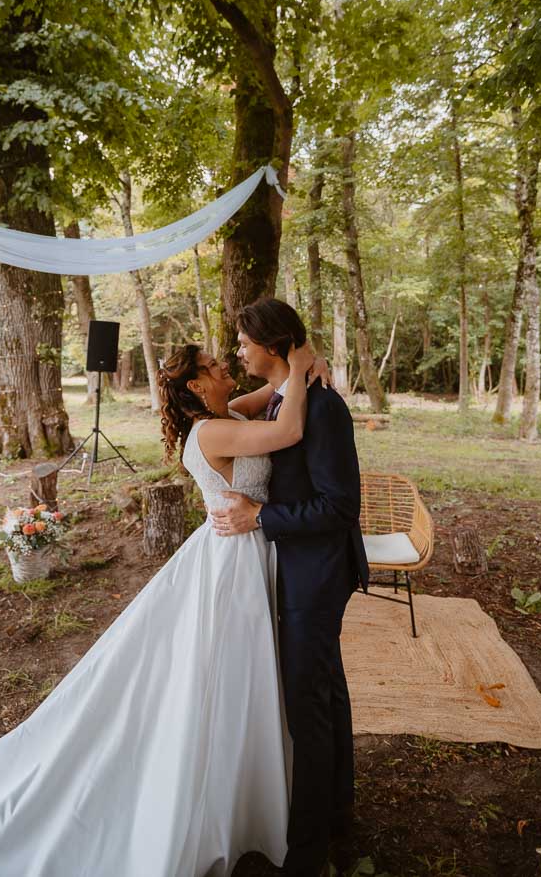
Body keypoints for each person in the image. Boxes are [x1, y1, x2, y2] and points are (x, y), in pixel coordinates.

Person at [0, 333, 323, 876]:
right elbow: (289, 427)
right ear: (196, 384)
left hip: (236, 549)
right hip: (231, 559)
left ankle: (240, 787)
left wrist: (295, 371)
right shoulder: (214, 429)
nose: (226, 369)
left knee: (228, 672)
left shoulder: (224, 414)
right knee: (223, 670)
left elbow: (271, 396)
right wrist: (302, 362)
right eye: (216, 366)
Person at [209, 296, 371, 877]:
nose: (238, 352)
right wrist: (303, 360)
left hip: (317, 573)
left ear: (272, 345)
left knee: (308, 703)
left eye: (245, 343)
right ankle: (335, 812)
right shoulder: (282, 397)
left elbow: (341, 505)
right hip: (298, 566)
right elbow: (227, 400)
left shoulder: (322, 410)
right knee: (324, 691)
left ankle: (307, 853)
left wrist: (260, 518)